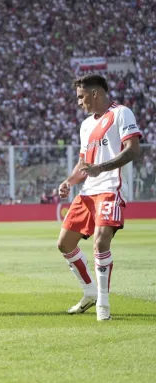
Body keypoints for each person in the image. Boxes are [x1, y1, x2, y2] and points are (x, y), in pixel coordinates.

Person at [57, 74, 142, 321]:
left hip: (111, 187)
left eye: (81, 96)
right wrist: (69, 181)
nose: (79, 102)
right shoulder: (85, 125)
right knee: (64, 244)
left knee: (101, 242)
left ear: (95, 93)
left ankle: (103, 305)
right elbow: (84, 164)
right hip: (88, 191)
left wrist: (101, 168)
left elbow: (133, 150)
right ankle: (90, 291)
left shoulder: (121, 113)